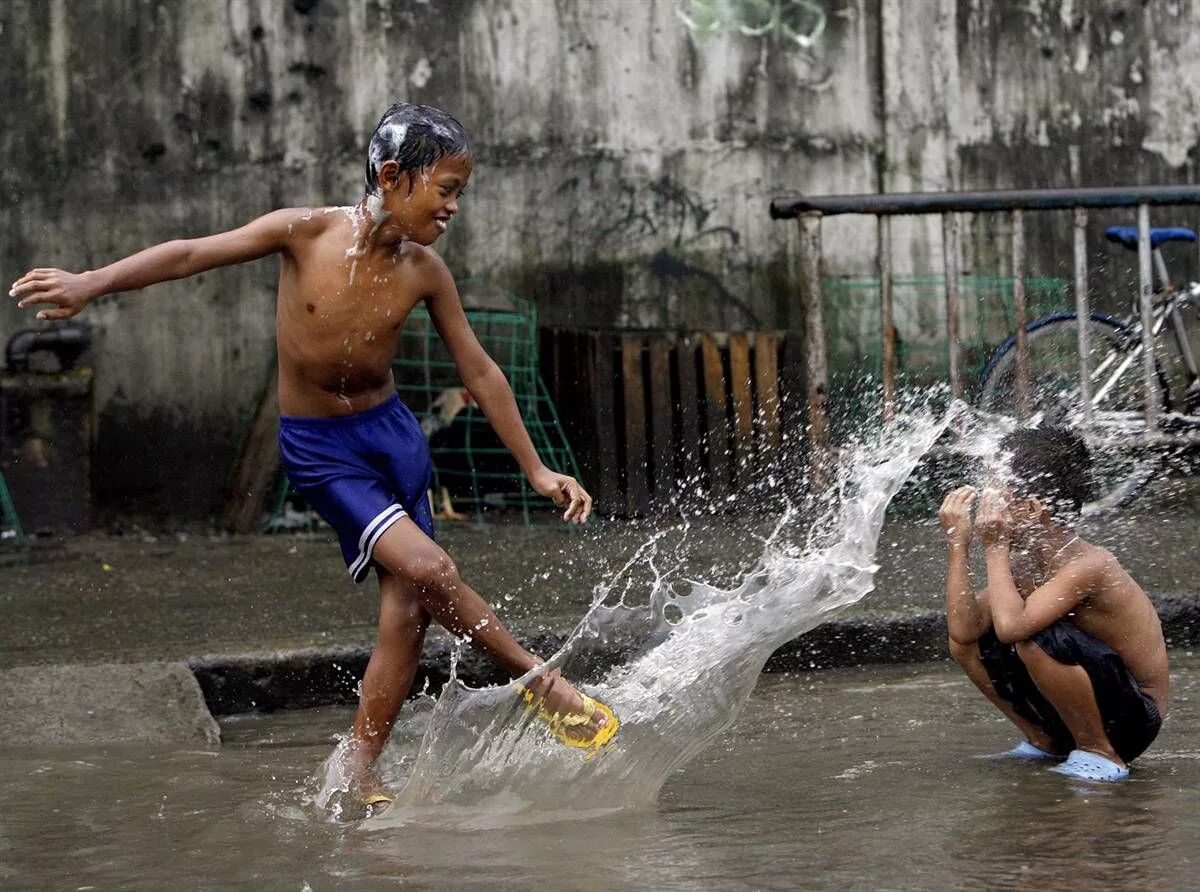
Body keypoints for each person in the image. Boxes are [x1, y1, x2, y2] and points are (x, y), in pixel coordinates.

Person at [8, 101, 619, 805]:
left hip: (392, 441)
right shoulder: (303, 233)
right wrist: (92, 283)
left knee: (408, 613)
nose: (454, 209)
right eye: (446, 190)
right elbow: (190, 253)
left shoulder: (425, 272)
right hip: (323, 452)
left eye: (460, 194)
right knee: (431, 566)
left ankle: (358, 768)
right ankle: (540, 683)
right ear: (394, 177)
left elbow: (479, 371)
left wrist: (537, 468)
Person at [938, 427, 1167, 781]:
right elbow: (963, 629)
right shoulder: (1025, 562)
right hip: (1076, 707)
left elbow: (1014, 627)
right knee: (967, 643)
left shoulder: (1089, 565)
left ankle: (1101, 752)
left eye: (997, 494)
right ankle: (1043, 738)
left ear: (1032, 508)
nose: (987, 505)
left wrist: (995, 548)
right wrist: (958, 545)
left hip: (1133, 718)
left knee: (1031, 637)